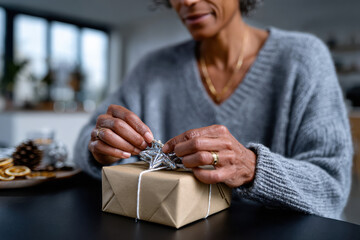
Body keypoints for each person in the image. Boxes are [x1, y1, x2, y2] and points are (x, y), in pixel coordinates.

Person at [74, 0, 353, 219]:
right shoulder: (151, 69)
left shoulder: (303, 58)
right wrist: (100, 148)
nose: (187, 2)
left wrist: (252, 167)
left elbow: (331, 187)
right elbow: (86, 139)